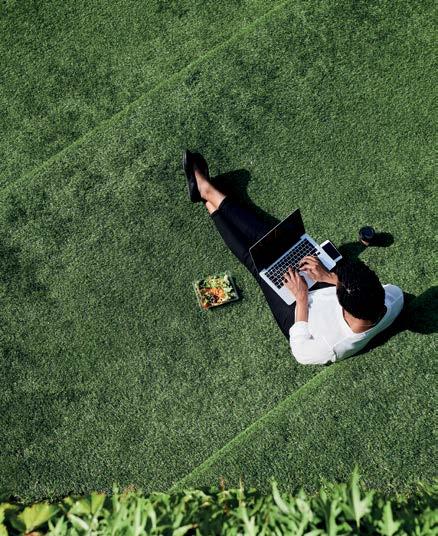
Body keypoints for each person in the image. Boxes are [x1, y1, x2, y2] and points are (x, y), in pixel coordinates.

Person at [182, 150, 404, 365]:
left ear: (342, 306)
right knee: (282, 244)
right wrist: (327, 276)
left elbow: (299, 348)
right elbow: (367, 290)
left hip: (301, 315)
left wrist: (301, 297)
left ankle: (207, 194)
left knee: (260, 266)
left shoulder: (329, 348)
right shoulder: (393, 299)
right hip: (331, 293)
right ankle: (207, 194)